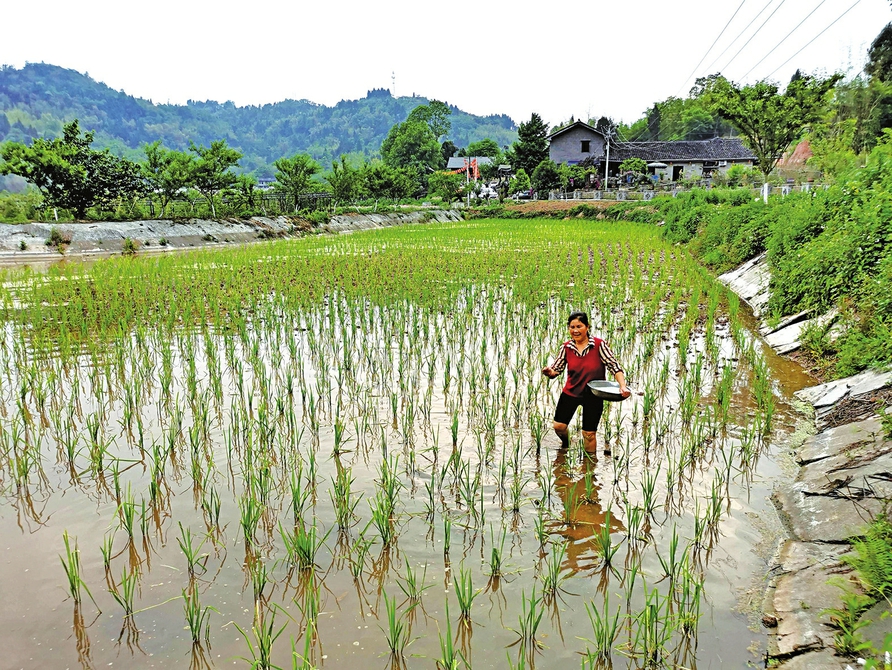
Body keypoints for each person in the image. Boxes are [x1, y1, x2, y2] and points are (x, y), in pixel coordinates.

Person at [542, 311, 630, 456]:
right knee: (559, 426)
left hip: (593, 395)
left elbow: (614, 366)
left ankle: (589, 468)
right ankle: (566, 444)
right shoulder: (566, 347)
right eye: (572, 327)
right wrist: (549, 372)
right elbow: (556, 369)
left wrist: (622, 386)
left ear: (587, 327)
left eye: (579, 326)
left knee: (589, 434)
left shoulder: (599, 345)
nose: (575, 330)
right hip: (571, 392)